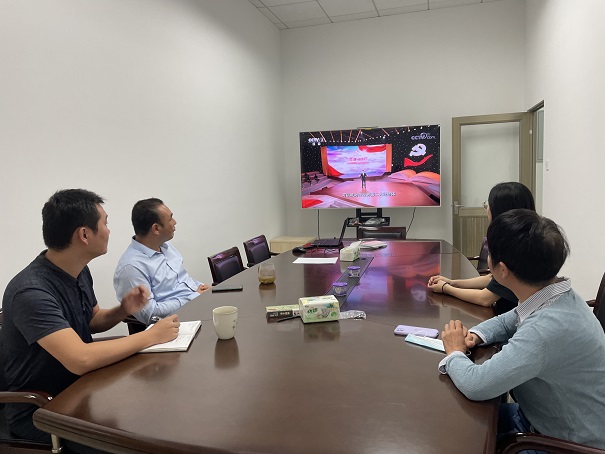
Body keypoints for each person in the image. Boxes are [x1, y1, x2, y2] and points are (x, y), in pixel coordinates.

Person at [0, 189, 179, 445]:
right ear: (84, 235)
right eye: (105, 223)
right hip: (42, 411)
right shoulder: (31, 292)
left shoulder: (78, 271)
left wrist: (122, 310)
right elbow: (80, 359)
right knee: (142, 439)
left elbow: (92, 320)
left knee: (160, 409)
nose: (108, 231)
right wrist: (151, 336)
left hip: (82, 388)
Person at [439, 209, 605, 449]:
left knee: (456, 436)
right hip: (546, 417)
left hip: (564, 443)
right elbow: (511, 319)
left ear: (502, 270)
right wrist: (476, 335)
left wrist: (455, 351)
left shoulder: (544, 330)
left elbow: (477, 385)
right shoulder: (557, 294)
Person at [428, 182, 535, 314]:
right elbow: (491, 278)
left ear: (500, 210)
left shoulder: (514, 247)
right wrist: (452, 282)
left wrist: (445, 288)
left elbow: (484, 299)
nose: (487, 208)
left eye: (488, 204)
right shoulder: (526, 237)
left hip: (514, 318)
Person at [114, 198, 210, 325]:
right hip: (177, 323)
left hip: (198, 305)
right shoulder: (131, 267)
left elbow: (183, 280)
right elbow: (151, 314)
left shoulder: (165, 246)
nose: (175, 222)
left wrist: (202, 288)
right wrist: (193, 297)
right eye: (170, 219)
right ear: (156, 228)